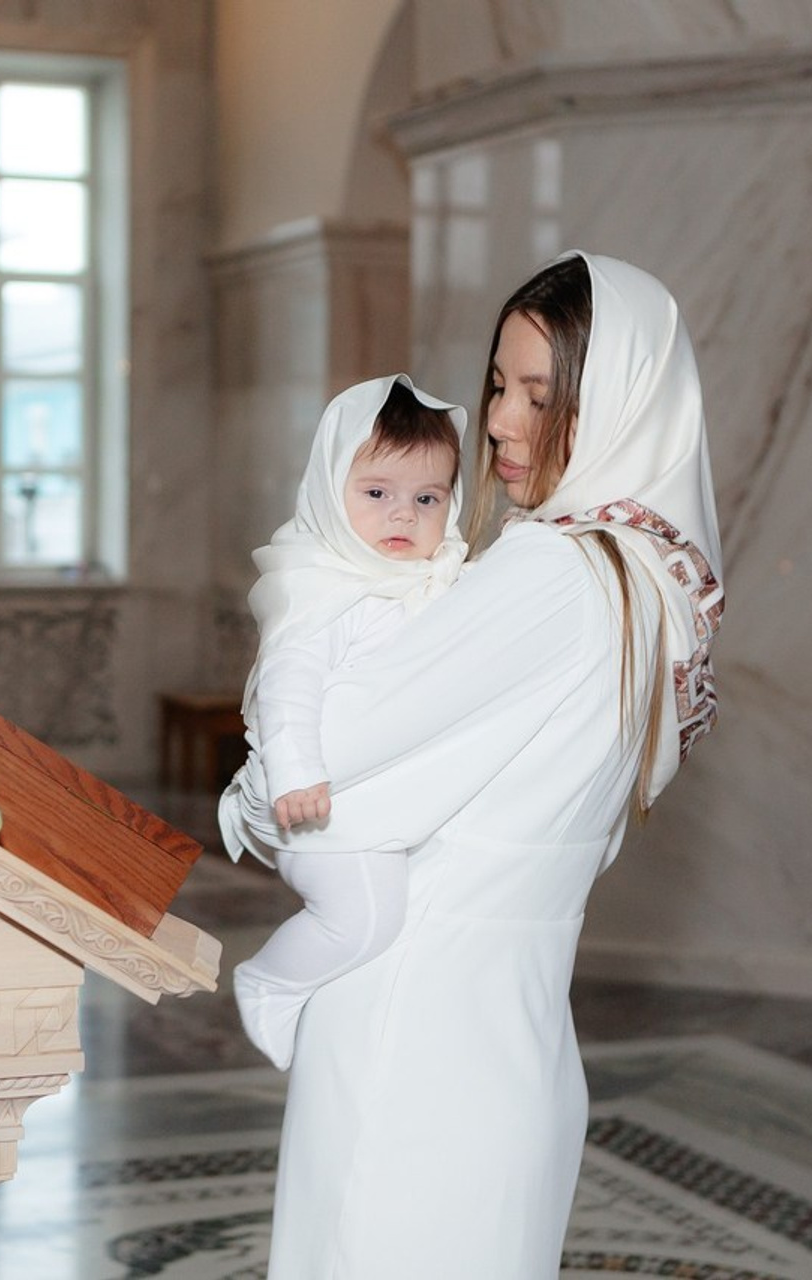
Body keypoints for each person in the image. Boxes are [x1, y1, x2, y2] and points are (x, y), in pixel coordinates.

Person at [218, 251, 724, 1277]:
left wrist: (254, 793)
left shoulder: (550, 568)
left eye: (541, 395)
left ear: (618, 401)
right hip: (517, 1040)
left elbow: (327, 756)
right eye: (498, 383)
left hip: (412, 1029)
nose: (496, 421)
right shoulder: (655, 581)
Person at [222, 375, 467, 1070]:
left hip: (371, 803)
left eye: (427, 499)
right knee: (363, 918)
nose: (403, 517)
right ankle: (270, 981)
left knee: (397, 924)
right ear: (332, 491)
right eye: (376, 494)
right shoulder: (323, 586)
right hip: (311, 806)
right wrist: (297, 772)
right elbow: (287, 684)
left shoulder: (433, 579)